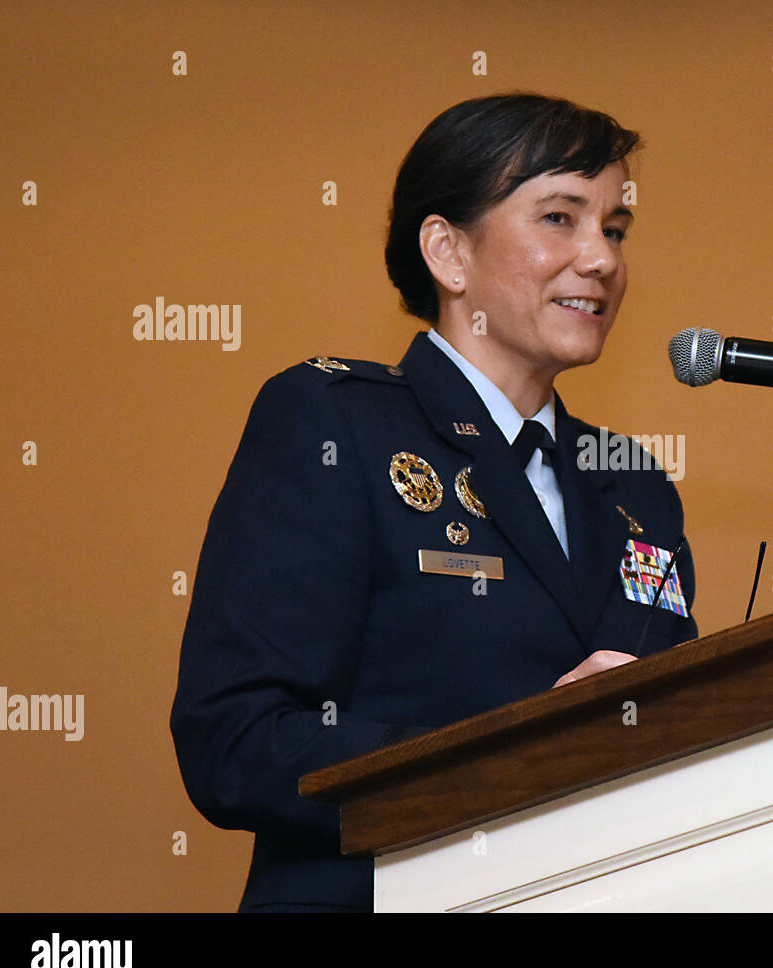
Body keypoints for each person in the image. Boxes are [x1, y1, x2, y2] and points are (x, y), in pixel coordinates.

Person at [169, 93, 699, 913]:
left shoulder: (636, 487)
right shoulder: (335, 422)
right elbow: (236, 741)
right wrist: (519, 756)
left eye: (616, 227)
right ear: (448, 253)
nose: (601, 259)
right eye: (560, 217)